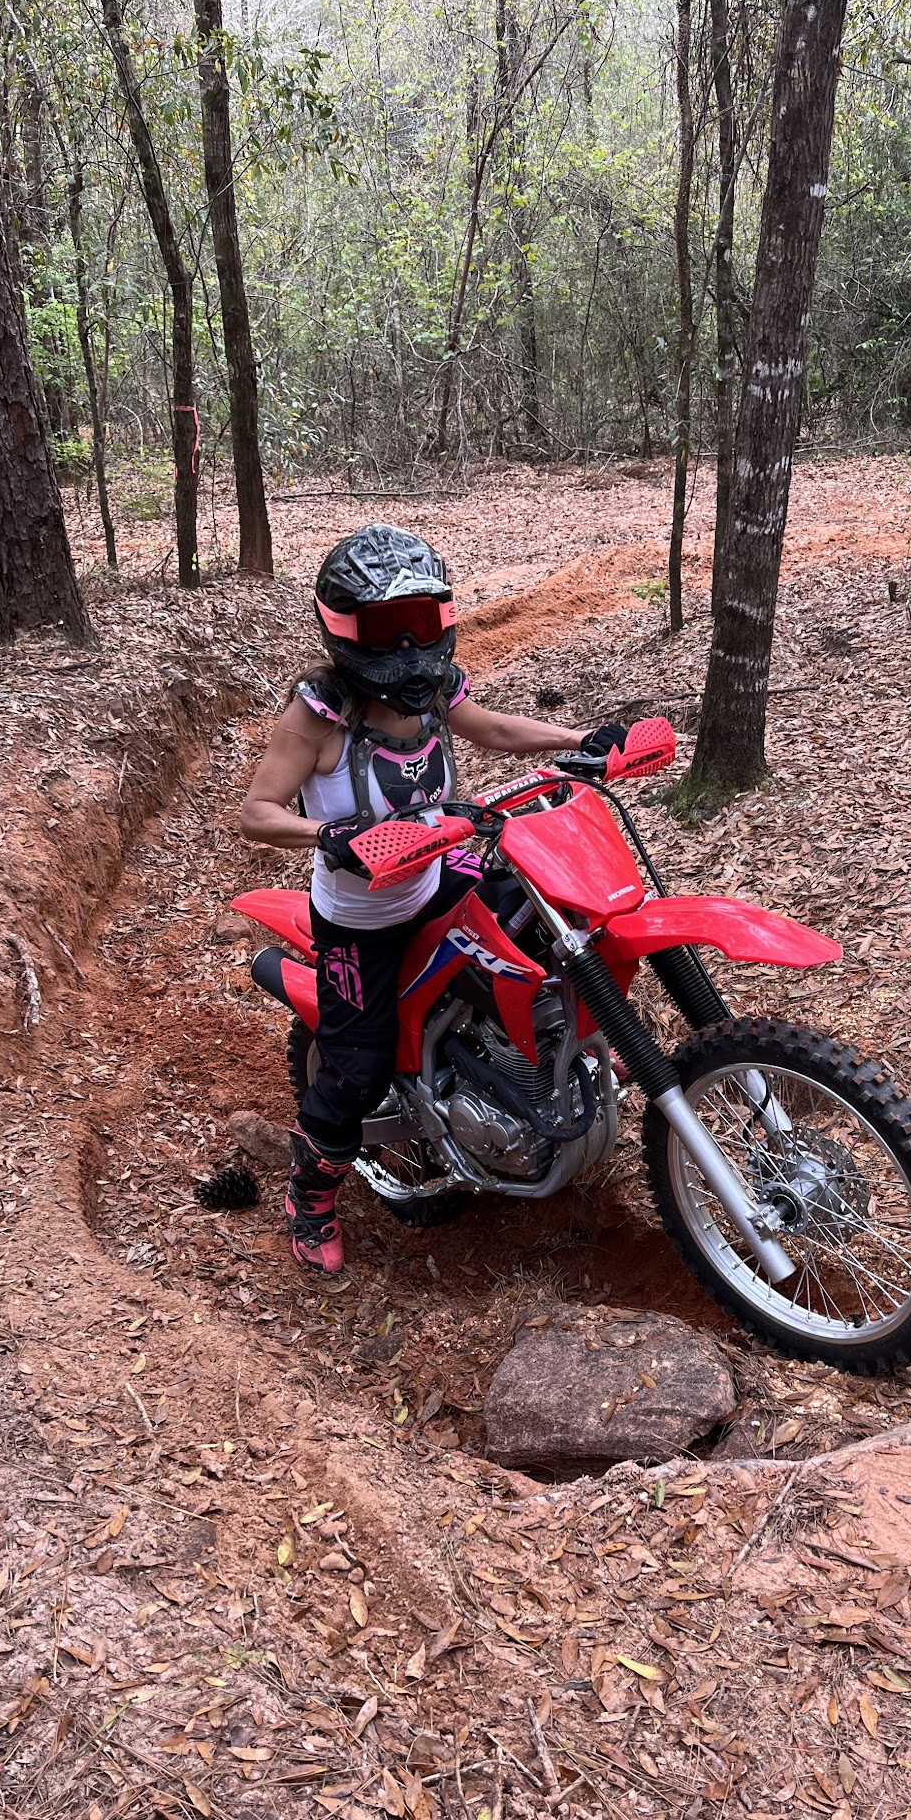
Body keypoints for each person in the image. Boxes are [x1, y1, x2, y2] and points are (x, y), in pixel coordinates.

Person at [239, 523, 626, 1275]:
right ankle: (311, 1198)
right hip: (361, 919)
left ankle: (526, 1082)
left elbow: (501, 730)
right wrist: (330, 836)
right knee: (355, 1065)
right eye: (389, 626)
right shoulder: (319, 713)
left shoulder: (439, 692)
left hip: (439, 874)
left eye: (421, 622)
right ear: (346, 628)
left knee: (550, 933)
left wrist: (583, 738)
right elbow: (257, 811)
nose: (409, 643)